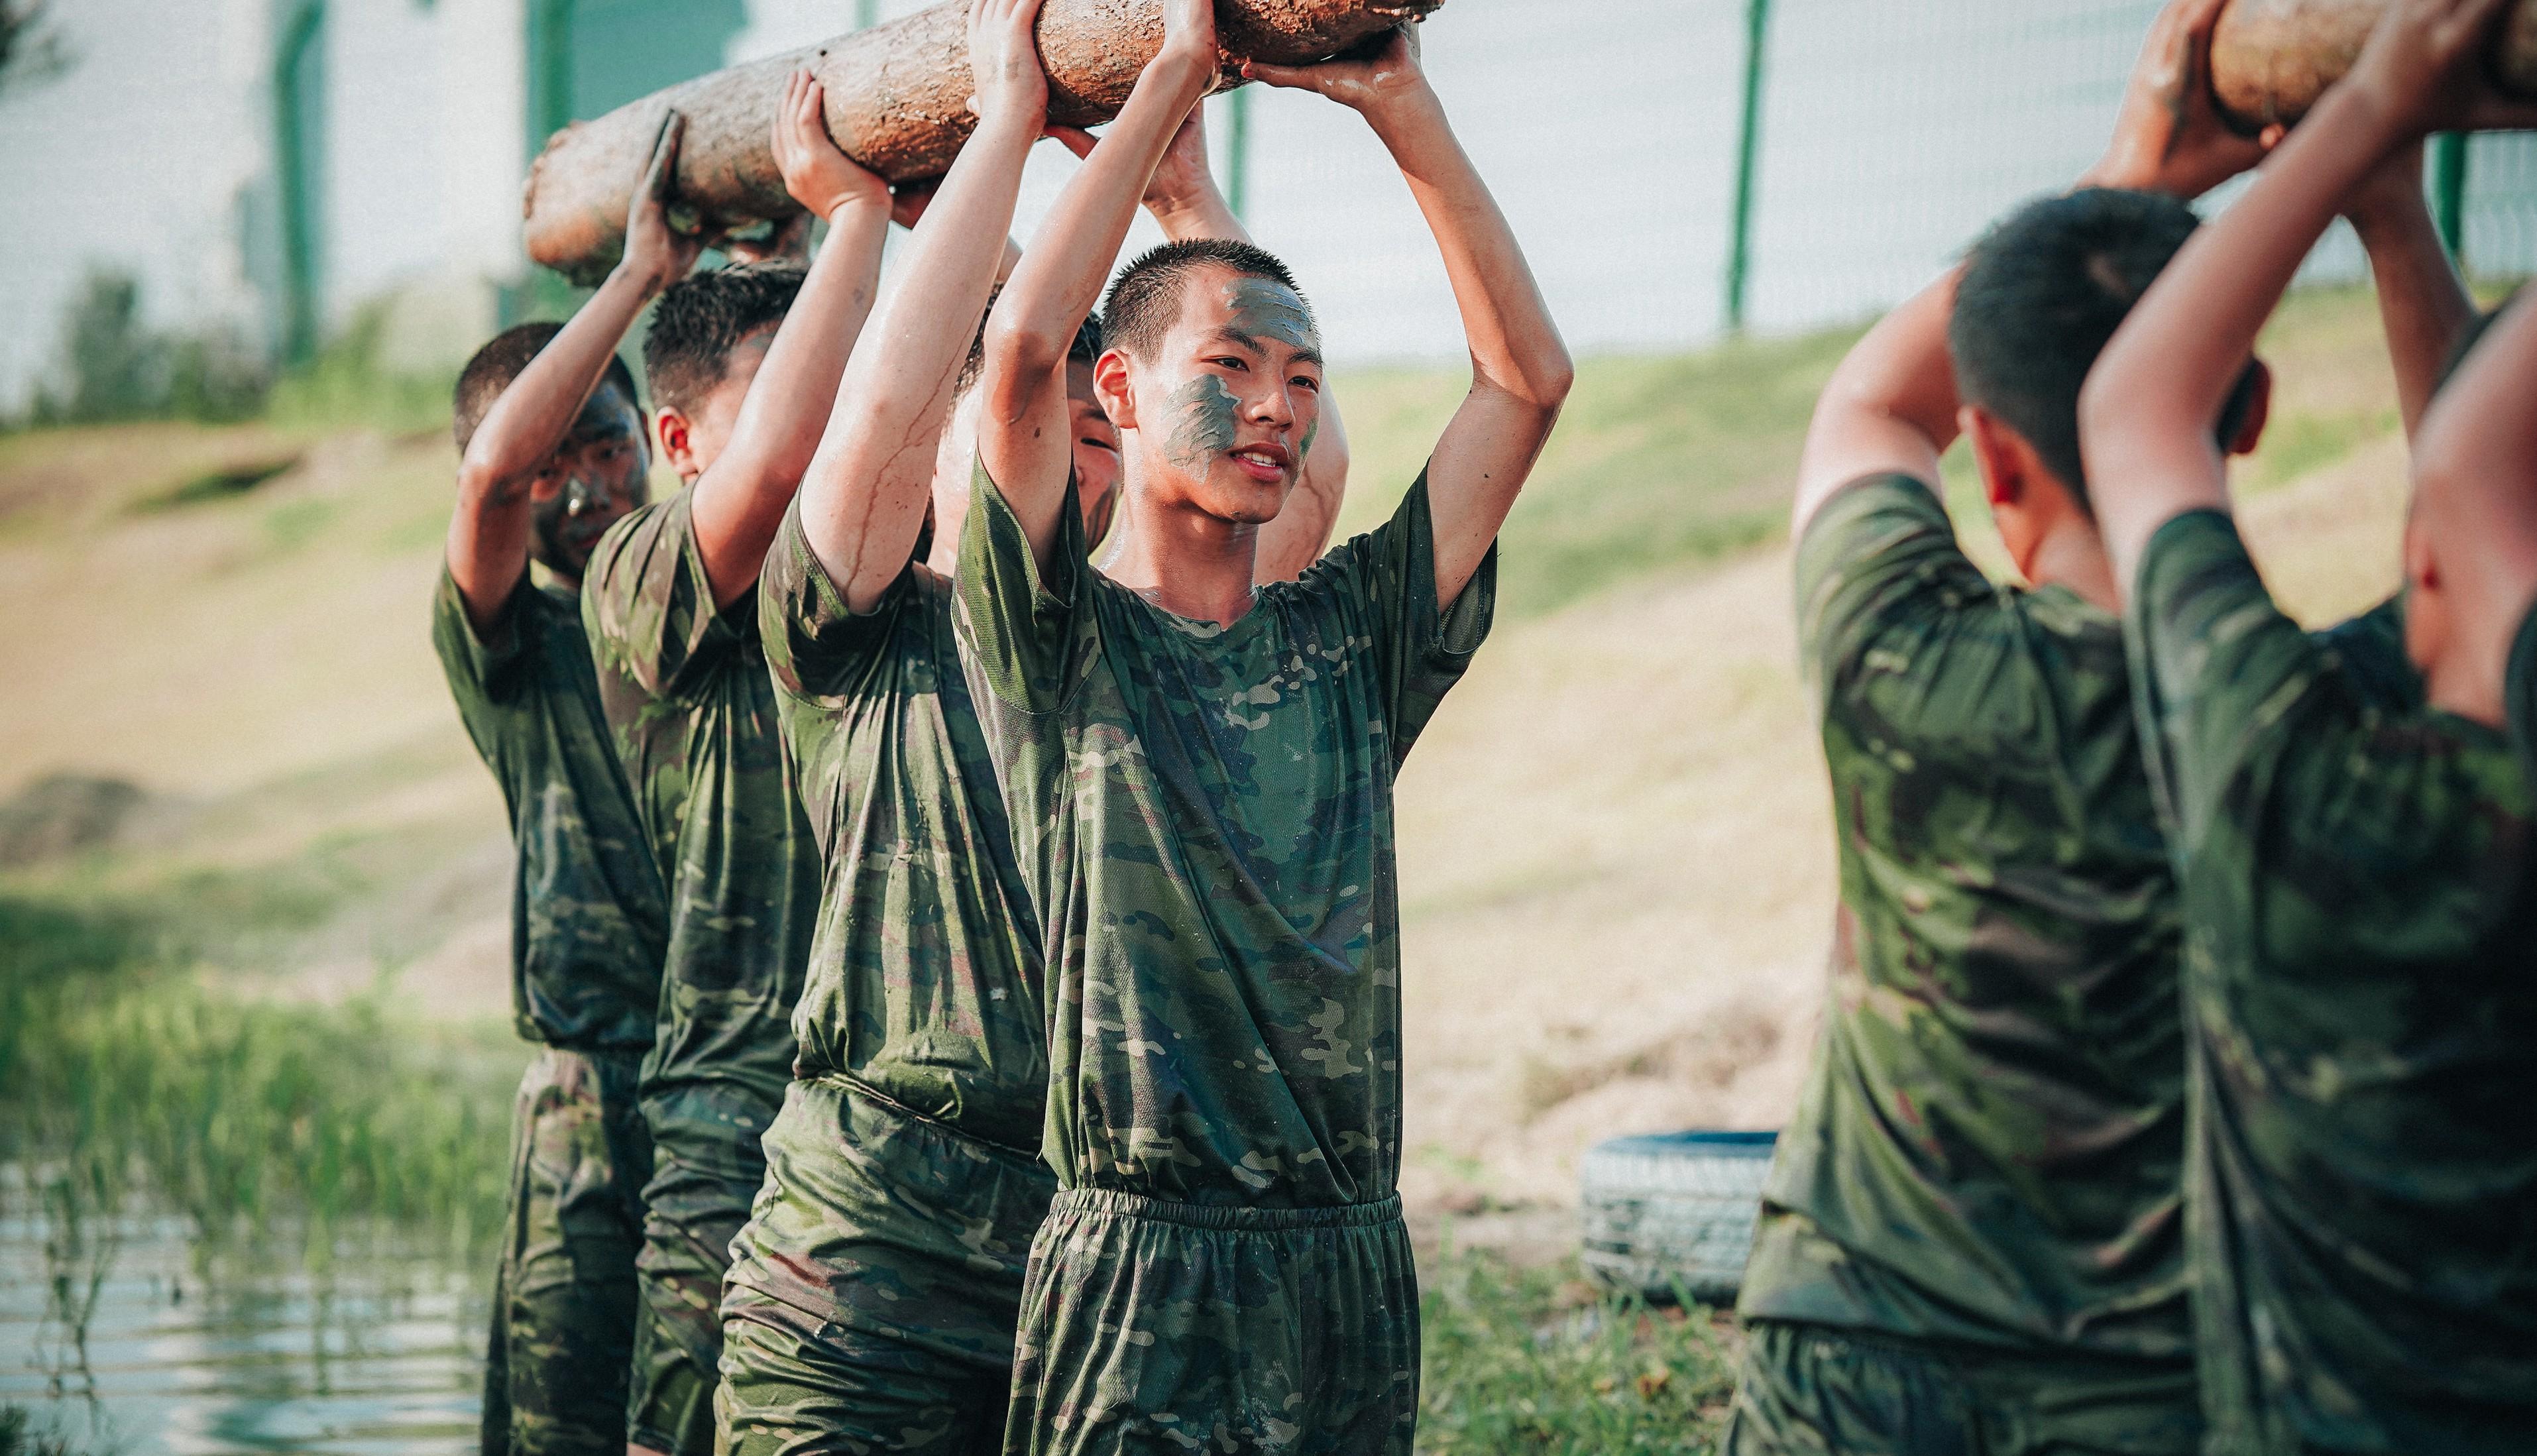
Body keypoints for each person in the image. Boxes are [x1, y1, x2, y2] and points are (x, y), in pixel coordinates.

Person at [714, 3, 1353, 1443]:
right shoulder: (857, 626)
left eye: (1107, 440)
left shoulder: (1149, 648)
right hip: (860, 1260)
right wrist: (1006, 122)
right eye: (1051, 430)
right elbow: (895, 403)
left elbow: (1297, 495)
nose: (1084, 466)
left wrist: (1186, 192)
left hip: (1088, 1275)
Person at [960, 2, 1570, 1449]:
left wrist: (1399, 106)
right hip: (1138, 1264)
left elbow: (1525, 385)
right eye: (1226, 370)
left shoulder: (1353, 640)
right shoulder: (1060, 635)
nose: (1274, 408)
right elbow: (1024, 347)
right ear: (1124, 388)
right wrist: (1173, 67)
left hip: (1348, 1258)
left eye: (1301, 377)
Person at [1720, 7, 2280, 1451]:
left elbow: (1875, 405)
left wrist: (2132, 174)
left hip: (1848, 1352)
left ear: (2000, 459)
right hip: (2144, 1392)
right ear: (2254, 412)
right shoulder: (2302, 718)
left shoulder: (1897, 654)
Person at [2078, 0, 2537, 1449]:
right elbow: (2476, 491)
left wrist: (2369, 121)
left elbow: (2139, 405)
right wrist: (2393, 209)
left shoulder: (2312, 805)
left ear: (2427, 572)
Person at [577, 76, 914, 1456]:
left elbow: (954, 383)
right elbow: (771, 466)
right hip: (725, 1114)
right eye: (787, 394)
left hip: (888, 1116)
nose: (824, 418)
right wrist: (857, 216)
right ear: (675, 442)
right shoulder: (637, 568)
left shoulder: (865, 568)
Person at [434, 119, 686, 1456]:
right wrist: (632, 281)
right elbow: (485, 478)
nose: (586, 486)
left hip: (739, 1087)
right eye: (554, 469)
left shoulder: (708, 603)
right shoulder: (513, 649)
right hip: (589, 1110)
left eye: (605, 448)